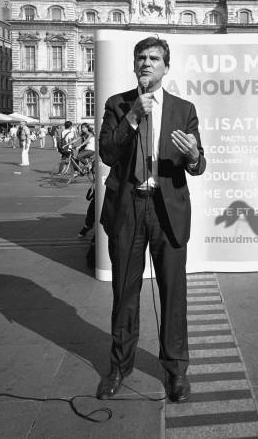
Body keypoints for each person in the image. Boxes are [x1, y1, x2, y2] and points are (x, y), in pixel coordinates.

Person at [97, 36, 206, 402]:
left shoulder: (183, 109)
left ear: (165, 67)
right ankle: (119, 367)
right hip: (129, 208)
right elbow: (108, 154)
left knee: (173, 295)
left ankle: (176, 371)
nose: (146, 63)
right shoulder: (118, 104)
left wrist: (192, 156)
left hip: (168, 211)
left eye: (154, 58)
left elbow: (199, 164)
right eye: (141, 57)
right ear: (135, 65)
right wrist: (132, 117)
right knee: (124, 293)